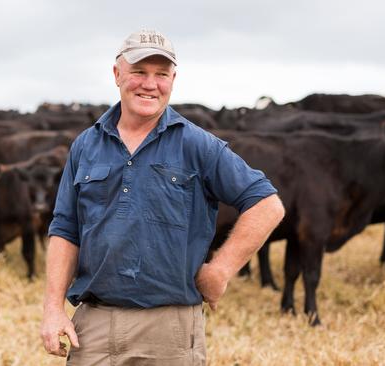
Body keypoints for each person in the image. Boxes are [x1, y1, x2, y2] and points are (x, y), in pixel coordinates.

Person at [40, 29, 285, 365]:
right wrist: (53, 309)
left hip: (169, 327)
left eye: (161, 75)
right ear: (117, 75)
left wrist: (221, 269)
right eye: (139, 72)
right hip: (93, 324)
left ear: (173, 79)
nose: (150, 84)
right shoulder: (86, 145)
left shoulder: (196, 144)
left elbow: (267, 204)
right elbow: (66, 228)